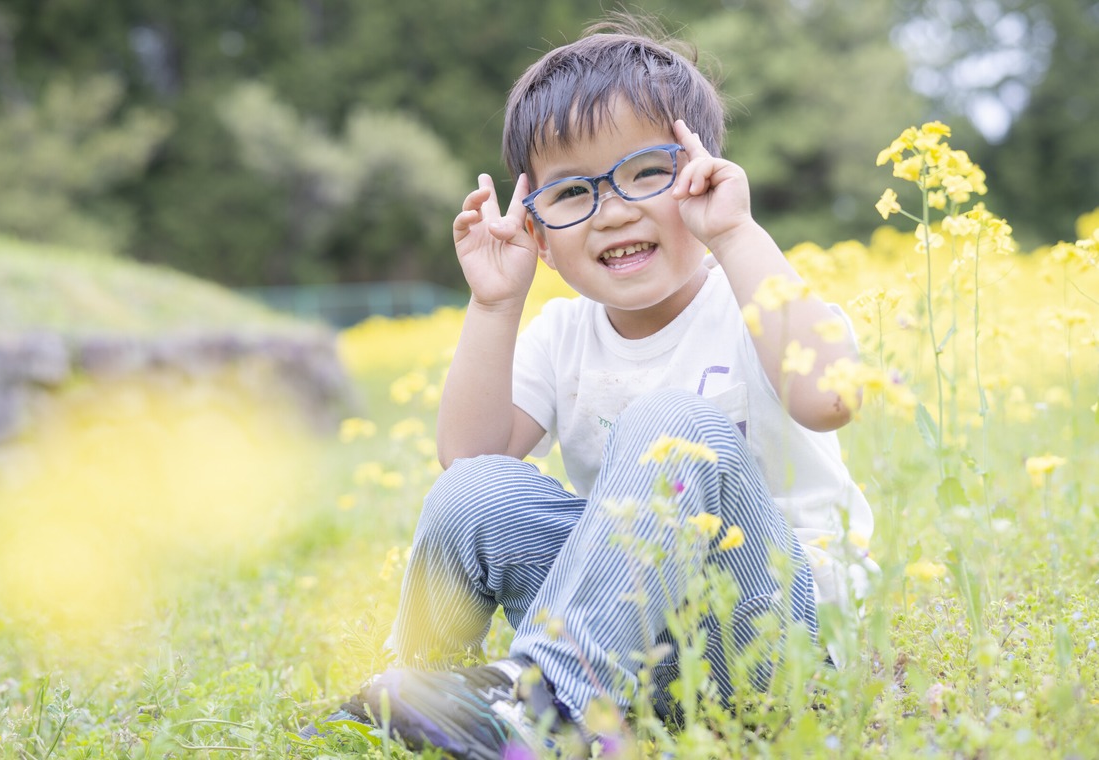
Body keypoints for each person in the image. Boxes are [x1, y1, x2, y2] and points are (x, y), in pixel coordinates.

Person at [301, 16, 872, 759]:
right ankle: (422, 696)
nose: (614, 210)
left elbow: (829, 399)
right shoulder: (562, 335)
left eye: (646, 172)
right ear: (538, 234)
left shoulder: (754, 299)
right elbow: (467, 462)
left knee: (672, 424)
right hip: (634, 650)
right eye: (573, 192)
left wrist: (736, 234)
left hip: (769, 640)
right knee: (477, 487)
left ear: (702, 174)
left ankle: (549, 704)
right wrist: (495, 304)